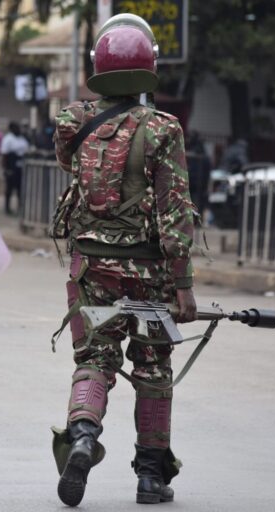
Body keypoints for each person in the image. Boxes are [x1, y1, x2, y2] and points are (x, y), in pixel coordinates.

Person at [51, 13, 197, 507]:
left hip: (93, 269)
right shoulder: (163, 129)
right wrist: (184, 284)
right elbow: (175, 211)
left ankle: (85, 435)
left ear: (99, 66)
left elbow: (72, 171)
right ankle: (151, 477)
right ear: (149, 66)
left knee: (95, 358)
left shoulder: (73, 122)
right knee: (153, 366)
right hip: (150, 274)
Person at [0, 121, 29, 215]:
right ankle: (7, 208)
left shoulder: (21, 138)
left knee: (20, 188)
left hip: (21, 165)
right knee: (9, 188)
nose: (18, 130)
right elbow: (4, 154)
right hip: (11, 165)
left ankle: (20, 207)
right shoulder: (8, 139)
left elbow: (26, 149)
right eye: (16, 128)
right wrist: (6, 168)